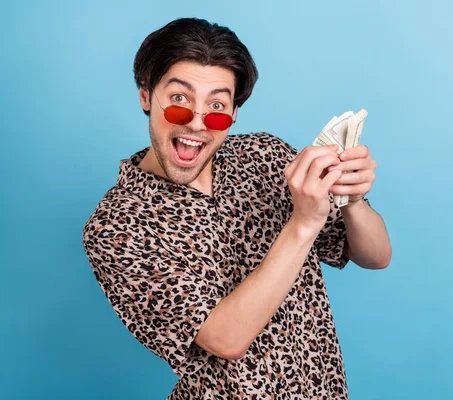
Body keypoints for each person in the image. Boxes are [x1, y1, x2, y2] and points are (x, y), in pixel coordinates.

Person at [82, 17, 392, 399]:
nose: (197, 123)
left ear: (234, 113)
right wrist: (303, 223)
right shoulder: (116, 226)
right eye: (179, 101)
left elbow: (376, 256)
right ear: (146, 96)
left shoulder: (265, 156)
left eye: (216, 106)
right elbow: (225, 339)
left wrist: (353, 201)